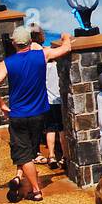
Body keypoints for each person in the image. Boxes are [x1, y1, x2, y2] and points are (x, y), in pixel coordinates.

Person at [0, 25, 72, 203]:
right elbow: (66, 49)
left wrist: (2, 105)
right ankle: (19, 176)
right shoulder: (41, 55)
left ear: (14, 43)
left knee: (23, 153)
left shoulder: (8, 63)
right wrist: (65, 36)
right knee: (28, 151)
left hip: (18, 115)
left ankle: (36, 190)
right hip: (39, 113)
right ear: (30, 41)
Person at [32, 24, 65, 169]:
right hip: (59, 101)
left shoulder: (42, 65)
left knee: (50, 129)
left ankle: (51, 155)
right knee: (62, 129)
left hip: (47, 101)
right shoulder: (56, 66)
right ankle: (64, 156)